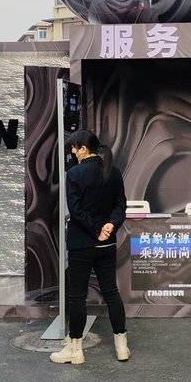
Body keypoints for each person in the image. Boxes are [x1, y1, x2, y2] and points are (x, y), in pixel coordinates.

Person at [50, 129, 128, 367]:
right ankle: (122, 346)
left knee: (77, 297)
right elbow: (120, 206)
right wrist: (109, 226)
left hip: (81, 244)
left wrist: (95, 230)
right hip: (107, 244)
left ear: (83, 148)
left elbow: (76, 211)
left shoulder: (74, 174)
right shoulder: (113, 172)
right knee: (111, 292)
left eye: (74, 148)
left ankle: (75, 350)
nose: (73, 153)